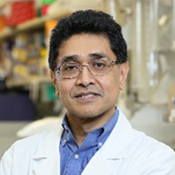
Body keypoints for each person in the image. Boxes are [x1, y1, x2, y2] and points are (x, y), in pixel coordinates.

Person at [0, 9, 175, 175]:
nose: (84, 80)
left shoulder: (156, 161)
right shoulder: (18, 158)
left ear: (122, 74)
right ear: (55, 79)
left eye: (99, 65)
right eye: (70, 67)